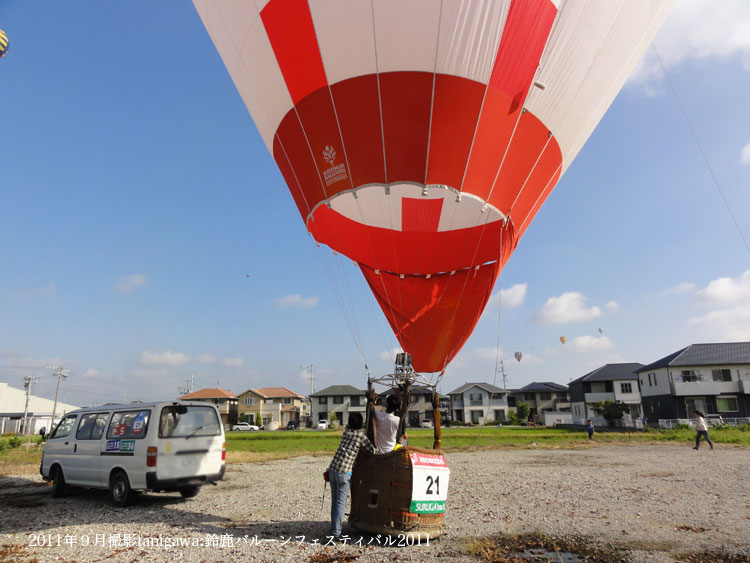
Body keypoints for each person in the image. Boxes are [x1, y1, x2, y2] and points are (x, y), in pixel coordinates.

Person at [327, 412, 376, 538]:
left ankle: (334, 529)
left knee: (335, 502)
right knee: (340, 504)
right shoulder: (360, 436)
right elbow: (373, 450)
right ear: (360, 423)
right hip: (344, 472)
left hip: (332, 469)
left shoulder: (346, 432)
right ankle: (336, 534)